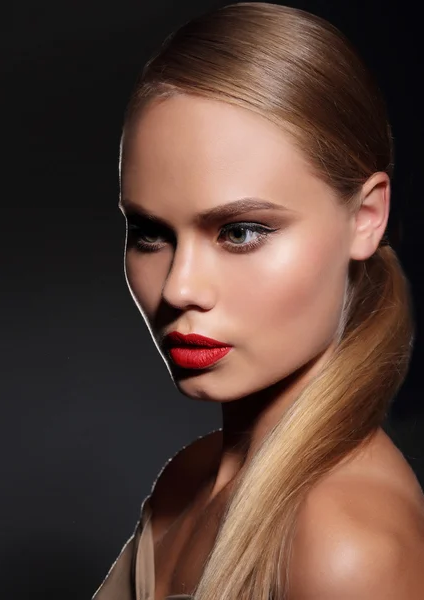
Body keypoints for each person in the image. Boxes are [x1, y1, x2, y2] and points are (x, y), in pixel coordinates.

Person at [92, 2, 424, 599]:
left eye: (240, 231)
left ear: (366, 218)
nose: (178, 288)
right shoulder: (185, 482)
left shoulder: (347, 547)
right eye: (150, 233)